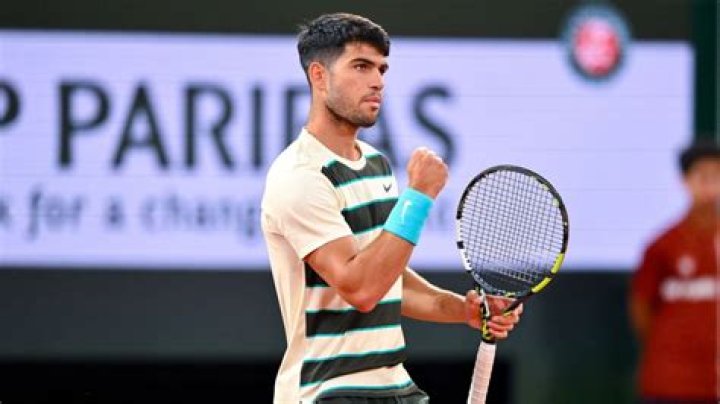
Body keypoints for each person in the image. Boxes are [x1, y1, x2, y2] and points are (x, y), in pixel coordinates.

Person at [261, 12, 522, 403]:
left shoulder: (376, 164)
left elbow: (387, 277)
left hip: (395, 387)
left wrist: (464, 310)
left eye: (381, 69)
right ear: (319, 76)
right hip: (328, 390)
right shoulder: (299, 175)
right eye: (361, 66)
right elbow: (362, 288)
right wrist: (418, 196)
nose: (377, 81)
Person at [629, 139, 719, 404]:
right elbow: (641, 308)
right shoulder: (663, 245)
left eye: (716, 177)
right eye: (703, 177)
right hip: (671, 383)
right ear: (685, 181)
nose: (710, 186)